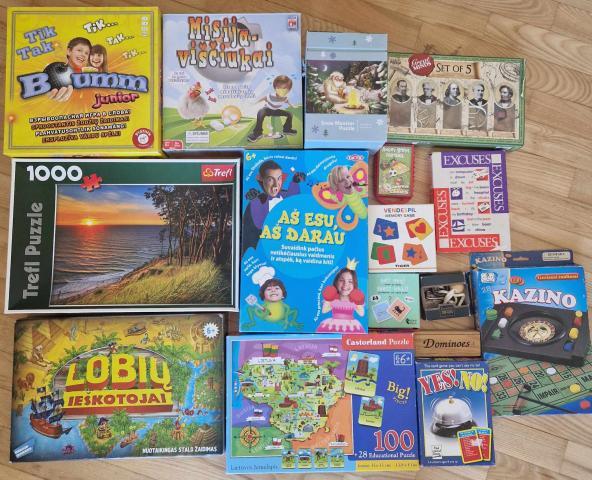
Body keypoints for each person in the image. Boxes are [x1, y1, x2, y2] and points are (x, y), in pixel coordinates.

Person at [241, 160, 305, 253]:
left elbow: (294, 199)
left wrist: (295, 181)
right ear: (261, 179)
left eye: (279, 178)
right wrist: (255, 200)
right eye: (270, 179)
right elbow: (258, 225)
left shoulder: (284, 195)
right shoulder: (258, 201)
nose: (276, 185)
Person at [248, 75, 297, 142]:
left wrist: (292, 106)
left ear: (288, 90)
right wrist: (254, 103)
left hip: (275, 111)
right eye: (278, 88)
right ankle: (257, 133)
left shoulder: (285, 98)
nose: (281, 90)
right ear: (275, 88)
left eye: (284, 88)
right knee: (260, 112)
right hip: (267, 109)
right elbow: (263, 98)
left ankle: (287, 129)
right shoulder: (271, 95)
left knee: (289, 114)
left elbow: (287, 101)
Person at [316, 267, 365, 333]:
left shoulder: (354, 299)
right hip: (332, 325)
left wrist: (358, 302)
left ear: (354, 284)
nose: (345, 284)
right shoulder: (333, 298)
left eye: (350, 281)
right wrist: (328, 299)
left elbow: (361, 314)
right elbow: (324, 311)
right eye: (342, 280)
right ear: (336, 282)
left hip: (351, 326)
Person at [48, 37, 92, 102]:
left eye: (86, 53)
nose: (83, 54)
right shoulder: (55, 69)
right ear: (69, 51)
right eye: (79, 50)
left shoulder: (86, 75)